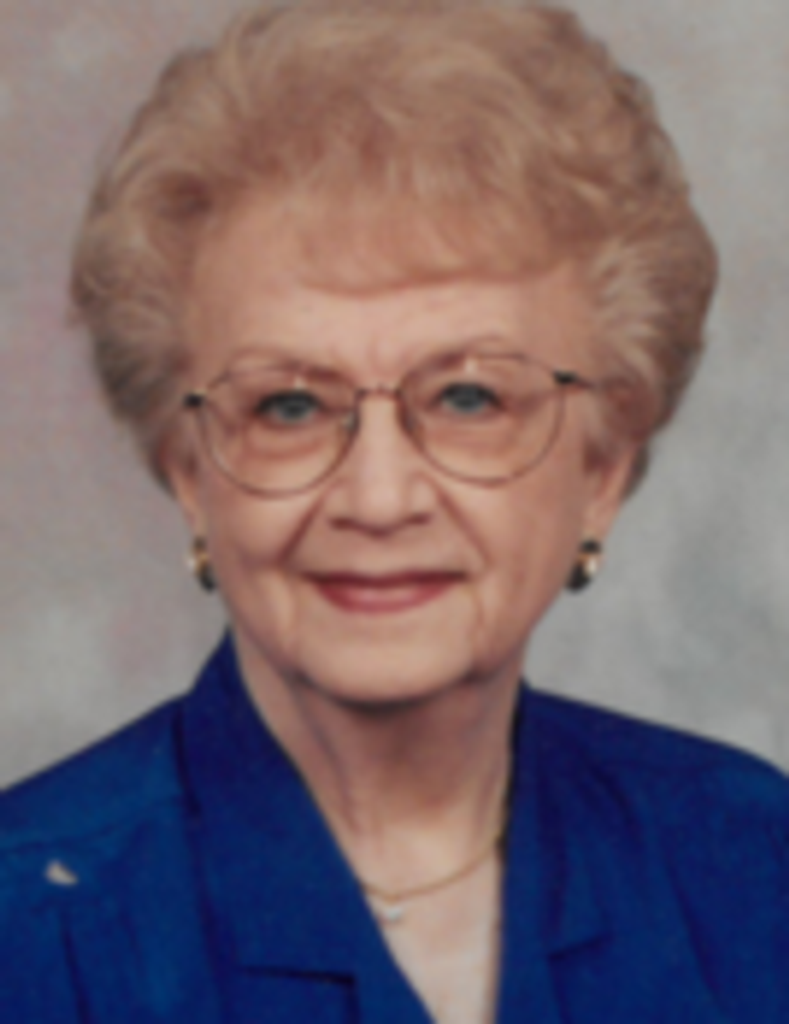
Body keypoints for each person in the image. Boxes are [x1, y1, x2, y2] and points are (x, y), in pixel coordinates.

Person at [1, 0, 787, 1020]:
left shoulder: (751, 863)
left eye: (469, 398)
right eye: (289, 406)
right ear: (190, 472)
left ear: (601, 468)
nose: (378, 498)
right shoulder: (30, 929)